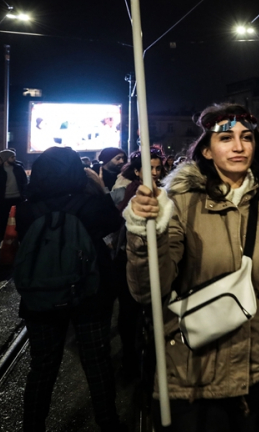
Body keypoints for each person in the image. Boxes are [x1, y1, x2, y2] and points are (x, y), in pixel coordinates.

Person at [124, 104, 259, 430]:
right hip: (192, 371)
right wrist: (147, 234)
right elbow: (149, 288)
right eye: (226, 137)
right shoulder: (180, 201)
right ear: (207, 150)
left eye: (246, 137)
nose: (239, 146)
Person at [16, 147, 123, 432]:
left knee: (42, 365)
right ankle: (108, 422)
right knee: (96, 361)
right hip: (90, 293)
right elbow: (115, 222)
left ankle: (33, 425)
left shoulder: (27, 208)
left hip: (40, 295)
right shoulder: (90, 204)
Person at [110, 149, 165, 376]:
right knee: (128, 310)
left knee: (157, 311)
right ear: (137, 171)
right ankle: (129, 357)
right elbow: (114, 225)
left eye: (158, 168)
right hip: (127, 257)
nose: (154, 172)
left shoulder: (166, 193)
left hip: (158, 258)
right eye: (148, 168)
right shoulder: (123, 193)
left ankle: (156, 360)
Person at [0, 149, 27, 235]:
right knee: (3, 220)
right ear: (6, 158)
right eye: (12, 157)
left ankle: (19, 240)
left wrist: (24, 195)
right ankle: (3, 240)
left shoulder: (19, 169)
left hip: (18, 199)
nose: (14, 159)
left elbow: (24, 182)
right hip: (3, 200)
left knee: (19, 220)